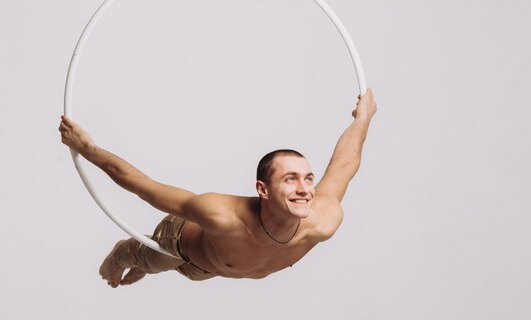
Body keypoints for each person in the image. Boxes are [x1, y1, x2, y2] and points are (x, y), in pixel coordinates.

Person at [59, 89, 377, 287]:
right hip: (179, 244)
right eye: (290, 179)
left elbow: (344, 166)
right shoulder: (220, 214)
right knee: (152, 259)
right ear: (262, 189)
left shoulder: (324, 218)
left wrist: (363, 118)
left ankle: (145, 262)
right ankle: (125, 254)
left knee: (189, 273)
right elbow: (146, 188)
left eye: (308, 178)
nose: (305, 188)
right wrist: (88, 149)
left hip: (212, 269)